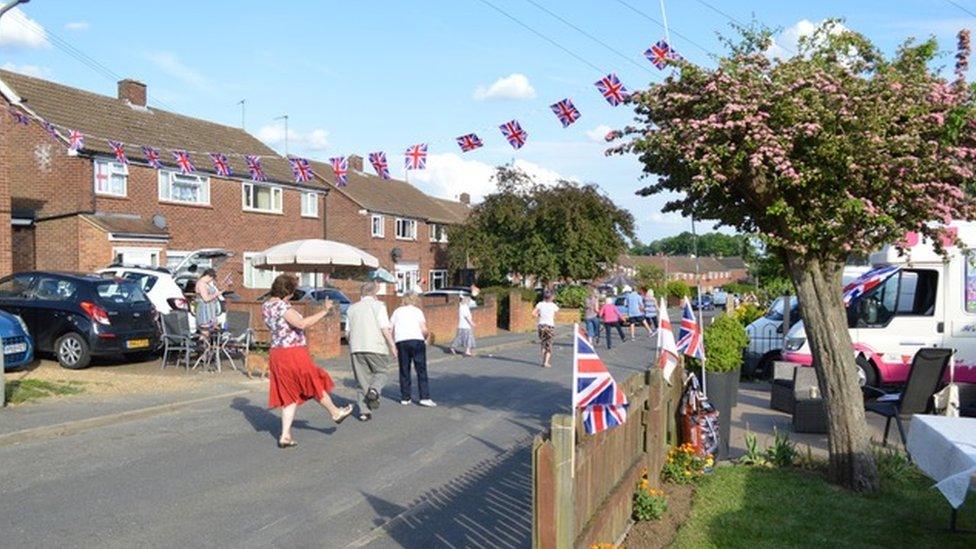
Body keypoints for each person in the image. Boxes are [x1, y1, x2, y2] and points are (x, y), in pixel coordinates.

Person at [262, 273, 353, 448]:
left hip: (277, 352)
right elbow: (301, 324)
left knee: (289, 394)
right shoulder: (282, 306)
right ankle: (335, 412)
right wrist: (324, 311)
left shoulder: (266, 305)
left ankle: (285, 435)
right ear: (287, 291)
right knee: (313, 381)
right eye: (293, 291)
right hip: (293, 352)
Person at [346, 281, 398, 422]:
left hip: (356, 348)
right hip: (376, 347)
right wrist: (392, 345)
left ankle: (364, 412)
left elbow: (347, 333)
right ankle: (374, 390)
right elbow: (384, 328)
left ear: (361, 293)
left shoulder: (351, 308)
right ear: (374, 293)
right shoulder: (379, 306)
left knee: (362, 380)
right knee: (381, 372)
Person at [391, 292, 436, 407]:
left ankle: (405, 397)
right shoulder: (417, 311)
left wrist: (392, 344)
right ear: (415, 300)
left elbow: (390, 328)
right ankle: (424, 397)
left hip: (401, 341)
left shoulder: (397, 311)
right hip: (416, 340)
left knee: (404, 369)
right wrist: (426, 338)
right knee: (421, 369)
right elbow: (424, 330)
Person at [532, 290, 560, 368]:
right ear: (551, 297)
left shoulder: (540, 304)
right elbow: (556, 315)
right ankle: (546, 362)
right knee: (549, 344)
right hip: (550, 326)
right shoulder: (554, 306)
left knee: (543, 341)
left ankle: (543, 351)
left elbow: (533, 314)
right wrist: (552, 316)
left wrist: (539, 315)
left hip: (541, 325)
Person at [194, 268, 221, 338]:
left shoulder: (206, 284)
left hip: (209, 310)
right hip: (204, 310)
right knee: (205, 332)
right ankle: (202, 346)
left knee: (209, 332)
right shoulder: (201, 284)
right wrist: (216, 294)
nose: (211, 281)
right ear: (209, 276)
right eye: (211, 279)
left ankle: (206, 346)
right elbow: (205, 298)